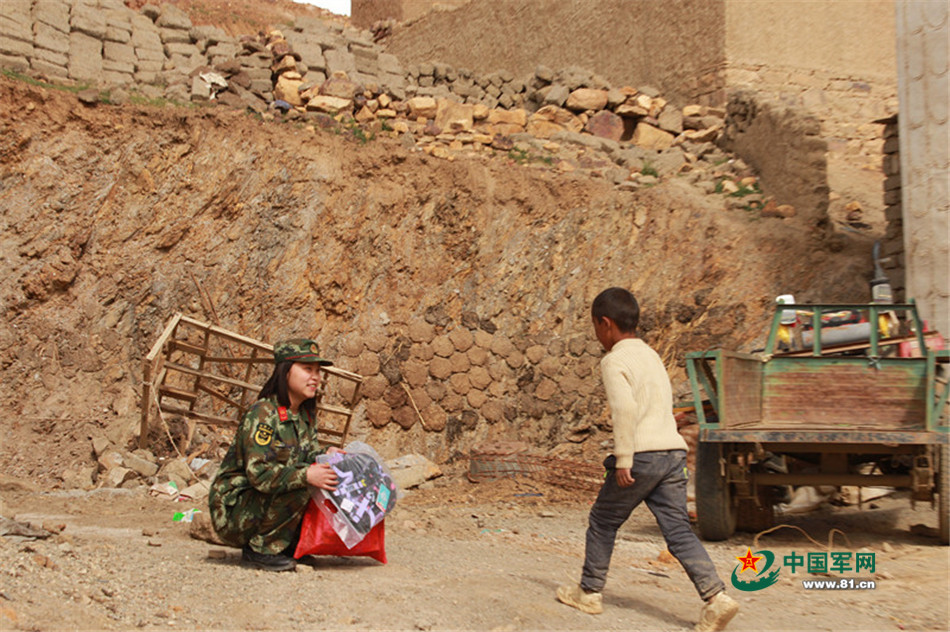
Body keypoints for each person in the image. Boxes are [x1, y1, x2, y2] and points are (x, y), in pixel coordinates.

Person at [556, 288, 739, 632]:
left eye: (595, 327)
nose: (596, 335)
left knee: (603, 521)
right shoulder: (652, 355)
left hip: (642, 455)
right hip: (672, 453)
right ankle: (717, 598)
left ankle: (590, 592)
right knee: (678, 530)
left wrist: (624, 459)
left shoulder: (614, 360)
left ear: (605, 323)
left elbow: (624, 410)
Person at [209, 338, 342, 572]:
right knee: (305, 479)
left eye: (318, 371)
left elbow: (307, 455)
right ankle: (260, 549)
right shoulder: (263, 414)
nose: (316, 377)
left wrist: (327, 454)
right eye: (307, 369)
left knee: (323, 475)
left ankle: (285, 544)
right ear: (285, 371)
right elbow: (259, 474)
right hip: (234, 509)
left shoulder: (303, 415)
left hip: (261, 502)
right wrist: (307, 475)